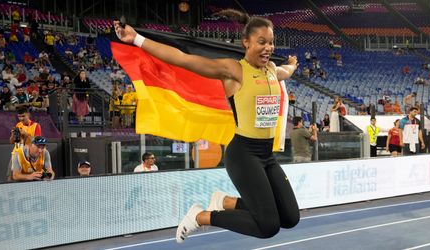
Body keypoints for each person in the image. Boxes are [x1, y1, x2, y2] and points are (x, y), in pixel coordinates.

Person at [115, 8, 300, 242]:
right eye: (261, 42)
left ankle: (225, 201)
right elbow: (183, 59)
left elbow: (287, 71)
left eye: (271, 43)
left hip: (266, 155)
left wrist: (292, 64)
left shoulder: (272, 70)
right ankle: (202, 216)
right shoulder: (234, 70)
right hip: (244, 155)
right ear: (246, 43)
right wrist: (137, 39)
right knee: (268, 226)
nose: (268, 48)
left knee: (290, 217)